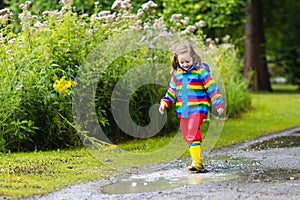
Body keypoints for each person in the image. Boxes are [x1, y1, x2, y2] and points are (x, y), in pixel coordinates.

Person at [159, 42, 224, 173]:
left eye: (187, 61)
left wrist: (218, 104)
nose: (184, 65)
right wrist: (164, 103)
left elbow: (212, 88)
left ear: (193, 58)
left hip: (198, 108)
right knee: (187, 135)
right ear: (177, 61)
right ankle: (196, 160)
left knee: (192, 132)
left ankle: (197, 163)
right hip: (183, 111)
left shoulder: (201, 72)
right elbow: (171, 92)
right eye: (181, 62)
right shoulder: (177, 76)